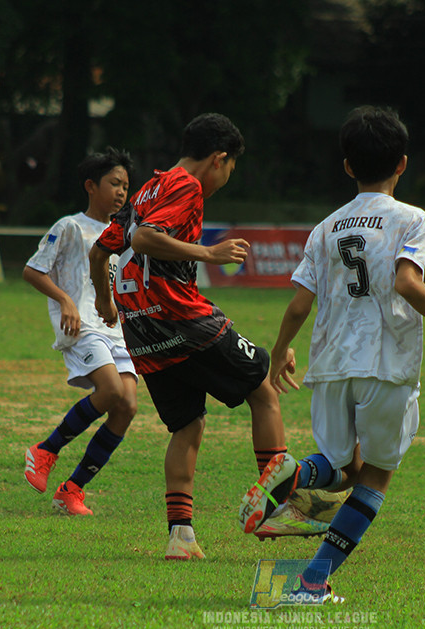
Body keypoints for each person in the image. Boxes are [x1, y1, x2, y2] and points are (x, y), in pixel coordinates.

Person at [237, 106, 425, 602]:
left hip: (330, 363)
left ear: (347, 166)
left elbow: (298, 304)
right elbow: (406, 281)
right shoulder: (413, 220)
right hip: (385, 363)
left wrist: (280, 352)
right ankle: (312, 582)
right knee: (375, 477)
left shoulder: (325, 228)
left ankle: (297, 472)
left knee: (342, 467)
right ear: (402, 163)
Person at [89, 113, 290, 560]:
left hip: (141, 330)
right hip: (177, 318)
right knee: (263, 388)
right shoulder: (186, 186)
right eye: (231, 168)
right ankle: (276, 508)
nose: (227, 179)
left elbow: (100, 249)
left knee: (187, 424)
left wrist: (105, 302)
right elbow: (142, 239)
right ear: (219, 159)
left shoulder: (147, 189)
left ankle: (180, 537)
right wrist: (210, 253)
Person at [22, 147, 138, 516]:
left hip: (117, 330)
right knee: (111, 390)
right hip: (82, 325)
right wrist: (66, 302)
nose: (121, 192)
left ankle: (71, 490)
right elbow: (32, 270)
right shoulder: (70, 226)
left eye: (125, 186)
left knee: (127, 407)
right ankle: (46, 450)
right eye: (113, 183)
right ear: (91, 186)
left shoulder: (125, 235)